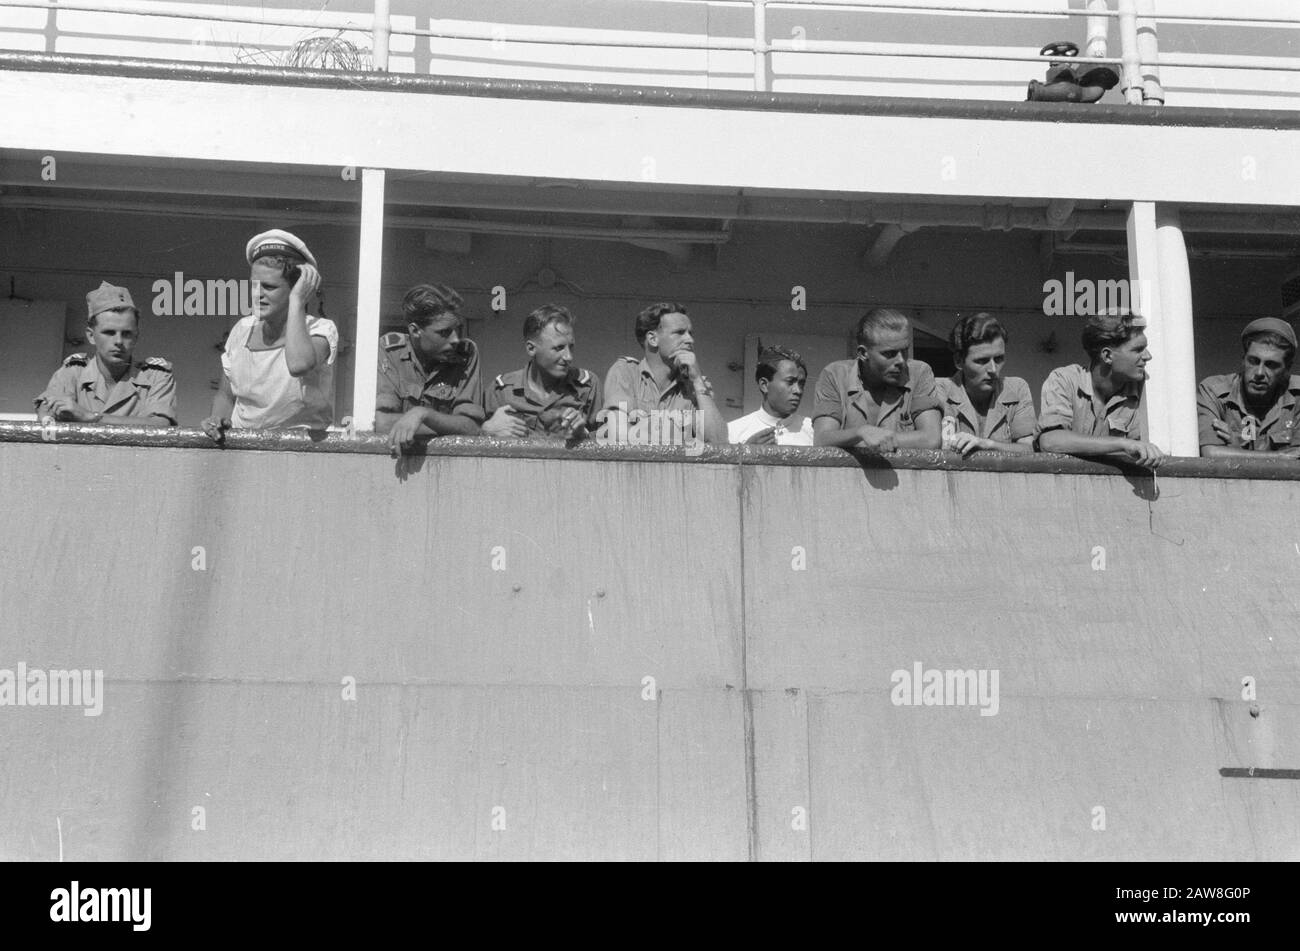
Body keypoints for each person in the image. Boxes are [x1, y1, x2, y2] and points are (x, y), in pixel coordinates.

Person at [201, 230, 337, 439]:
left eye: (269, 287)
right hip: (244, 447)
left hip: (299, 452)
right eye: (254, 285)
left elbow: (299, 364)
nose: (258, 294)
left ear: (296, 288)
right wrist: (217, 418)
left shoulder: (320, 330)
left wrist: (298, 301)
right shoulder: (241, 329)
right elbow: (226, 395)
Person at [34, 281, 176, 427]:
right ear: (90, 335)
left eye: (127, 333)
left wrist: (91, 417)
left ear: (136, 336)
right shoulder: (73, 372)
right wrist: (49, 413)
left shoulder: (155, 376)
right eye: (109, 332)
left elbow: (160, 425)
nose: (119, 341)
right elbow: (46, 413)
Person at [376, 283, 493, 454]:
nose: (455, 339)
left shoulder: (467, 354)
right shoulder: (390, 351)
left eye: (457, 330)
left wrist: (422, 414)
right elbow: (383, 423)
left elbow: (471, 427)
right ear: (415, 331)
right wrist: (449, 426)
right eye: (444, 332)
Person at [1037, 311, 1166, 466]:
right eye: (1138, 350)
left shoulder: (1146, 387)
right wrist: (1123, 444)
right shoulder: (1064, 380)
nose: (1148, 356)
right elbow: (1050, 441)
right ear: (1107, 356)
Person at [811, 307, 942, 451]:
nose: (901, 361)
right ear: (863, 353)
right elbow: (822, 439)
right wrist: (861, 432)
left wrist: (862, 440)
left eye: (904, 351)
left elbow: (931, 439)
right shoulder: (834, 375)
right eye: (890, 353)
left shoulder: (919, 373)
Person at [602, 302, 728, 445]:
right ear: (653, 339)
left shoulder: (692, 385)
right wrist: (677, 439)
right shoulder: (626, 372)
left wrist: (698, 382)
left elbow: (719, 442)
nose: (690, 340)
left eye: (690, 333)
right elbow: (618, 432)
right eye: (680, 333)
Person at [484, 304, 603, 439]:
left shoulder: (587, 386)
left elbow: (607, 442)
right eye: (559, 348)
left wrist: (583, 435)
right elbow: (472, 439)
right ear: (531, 348)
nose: (568, 357)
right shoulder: (501, 391)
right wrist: (487, 431)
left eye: (571, 347)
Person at [1198, 317, 1300, 457]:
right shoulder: (1214, 391)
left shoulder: (1297, 396)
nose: (1259, 373)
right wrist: (1279, 457)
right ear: (1243, 360)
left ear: (1286, 369)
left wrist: (1236, 449)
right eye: (1253, 361)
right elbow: (1211, 453)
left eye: (1271, 365)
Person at [935, 313, 1035, 455]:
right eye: (982, 361)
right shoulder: (939, 390)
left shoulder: (1017, 389)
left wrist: (987, 444)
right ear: (958, 361)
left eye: (999, 359)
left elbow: (1029, 449)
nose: (993, 370)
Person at [728, 345, 814, 446]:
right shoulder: (733, 432)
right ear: (764, 385)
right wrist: (746, 453)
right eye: (790, 382)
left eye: (801, 383)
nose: (798, 391)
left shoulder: (813, 431)